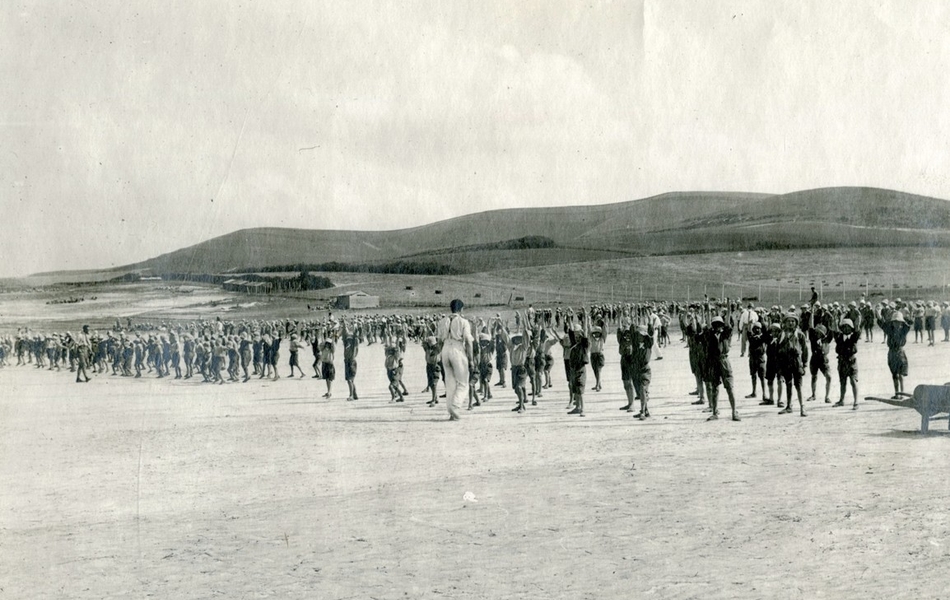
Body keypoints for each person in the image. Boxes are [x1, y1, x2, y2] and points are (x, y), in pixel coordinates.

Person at [436, 299, 474, 421]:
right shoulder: (464, 321)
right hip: (457, 348)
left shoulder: (442, 321)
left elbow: (438, 340)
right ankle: (455, 406)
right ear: (461, 309)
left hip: (445, 348)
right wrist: (471, 359)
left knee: (450, 382)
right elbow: (468, 341)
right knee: (463, 382)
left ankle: (451, 412)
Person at [878, 308, 911, 398]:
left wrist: (904, 318)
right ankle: (897, 393)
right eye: (895, 322)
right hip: (892, 353)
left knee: (900, 375)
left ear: (901, 323)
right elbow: (882, 325)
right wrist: (879, 315)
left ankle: (902, 393)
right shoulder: (890, 331)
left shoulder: (903, 330)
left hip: (900, 353)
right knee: (894, 375)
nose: (897, 323)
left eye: (899, 322)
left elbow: (908, 325)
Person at [833, 318, 861, 409]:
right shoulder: (839, 338)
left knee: (853, 381)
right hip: (841, 363)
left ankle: (856, 402)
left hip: (851, 362)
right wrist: (835, 321)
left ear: (851, 328)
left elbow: (857, 331)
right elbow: (834, 330)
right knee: (842, 382)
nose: (846, 329)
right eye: (844, 327)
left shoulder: (853, 338)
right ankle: (841, 400)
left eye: (848, 327)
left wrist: (857, 322)